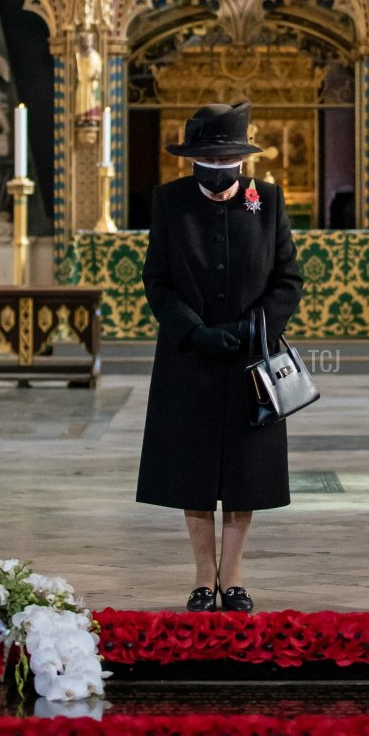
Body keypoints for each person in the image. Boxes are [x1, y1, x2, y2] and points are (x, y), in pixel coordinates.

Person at [136, 100, 303, 614]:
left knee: (244, 474)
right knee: (194, 470)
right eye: (207, 162)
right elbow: (157, 281)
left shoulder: (268, 201)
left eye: (227, 160)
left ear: (241, 159)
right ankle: (201, 579)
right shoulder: (170, 202)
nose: (218, 171)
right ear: (193, 162)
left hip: (251, 360)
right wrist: (196, 331)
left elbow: (288, 280)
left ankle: (232, 579)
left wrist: (250, 329)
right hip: (190, 359)